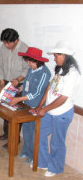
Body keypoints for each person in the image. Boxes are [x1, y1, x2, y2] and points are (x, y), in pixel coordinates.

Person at [31, 41, 80, 177]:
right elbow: (49, 87)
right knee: (39, 133)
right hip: (49, 110)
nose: (54, 58)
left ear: (65, 56)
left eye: (56, 55)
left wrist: (45, 109)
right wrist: (40, 105)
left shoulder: (73, 73)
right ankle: (42, 162)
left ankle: (55, 168)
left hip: (62, 113)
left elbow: (62, 98)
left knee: (57, 141)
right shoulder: (58, 69)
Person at [9, 47, 51, 164]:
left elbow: (37, 92)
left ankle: (33, 156)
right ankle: (26, 151)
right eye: (27, 61)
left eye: (29, 61)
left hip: (35, 106)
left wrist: (19, 99)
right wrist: (19, 89)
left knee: (33, 133)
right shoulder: (31, 70)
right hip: (26, 104)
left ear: (36, 61)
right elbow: (27, 85)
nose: (28, 64)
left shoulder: (45, 73)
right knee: (26, 130)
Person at [0, 28, 28, 147]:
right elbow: (0, 65)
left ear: (15, 40)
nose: (5, 45)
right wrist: (1, 83)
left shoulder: (24, 49)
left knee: (15, 113)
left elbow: (26, 69)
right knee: (6, 110)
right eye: (4, 42)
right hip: (7, 84)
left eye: (8, 43)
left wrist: (18, 79)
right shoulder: (3, 48)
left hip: (18, 85)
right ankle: (6, 134)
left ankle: (14, 139)